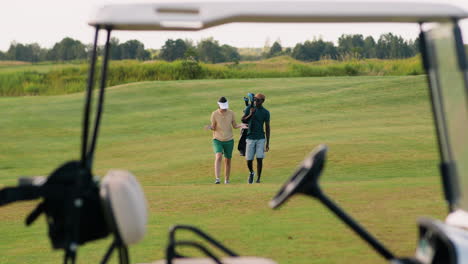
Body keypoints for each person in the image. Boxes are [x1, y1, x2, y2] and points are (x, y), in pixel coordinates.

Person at [205, 97, 247, 184]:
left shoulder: (231, 113)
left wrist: (241, 125)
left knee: (227, 160)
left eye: (225, 106)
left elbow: (234, 125)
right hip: (217, 139)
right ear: (218, 105)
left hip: (229, 140)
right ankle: (217, 179)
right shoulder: (214, 114)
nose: (224, 108)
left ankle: (226, 180)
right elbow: (213, 127)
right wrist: (209, 127)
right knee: (219, 156)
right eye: (222, 106)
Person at [241, 93, 270, 184]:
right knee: (249, 159)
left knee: (259, 158)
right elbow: (243, 120)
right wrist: (250, 114)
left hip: (260, 138)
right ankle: (251, 172)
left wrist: (267, 143)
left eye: (257, 100)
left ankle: (258, 179)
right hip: (250, 137)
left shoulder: (266, 112)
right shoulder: (250, 108)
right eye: (255, 99)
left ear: (262, 101)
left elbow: (267, 127)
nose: (255, 101)